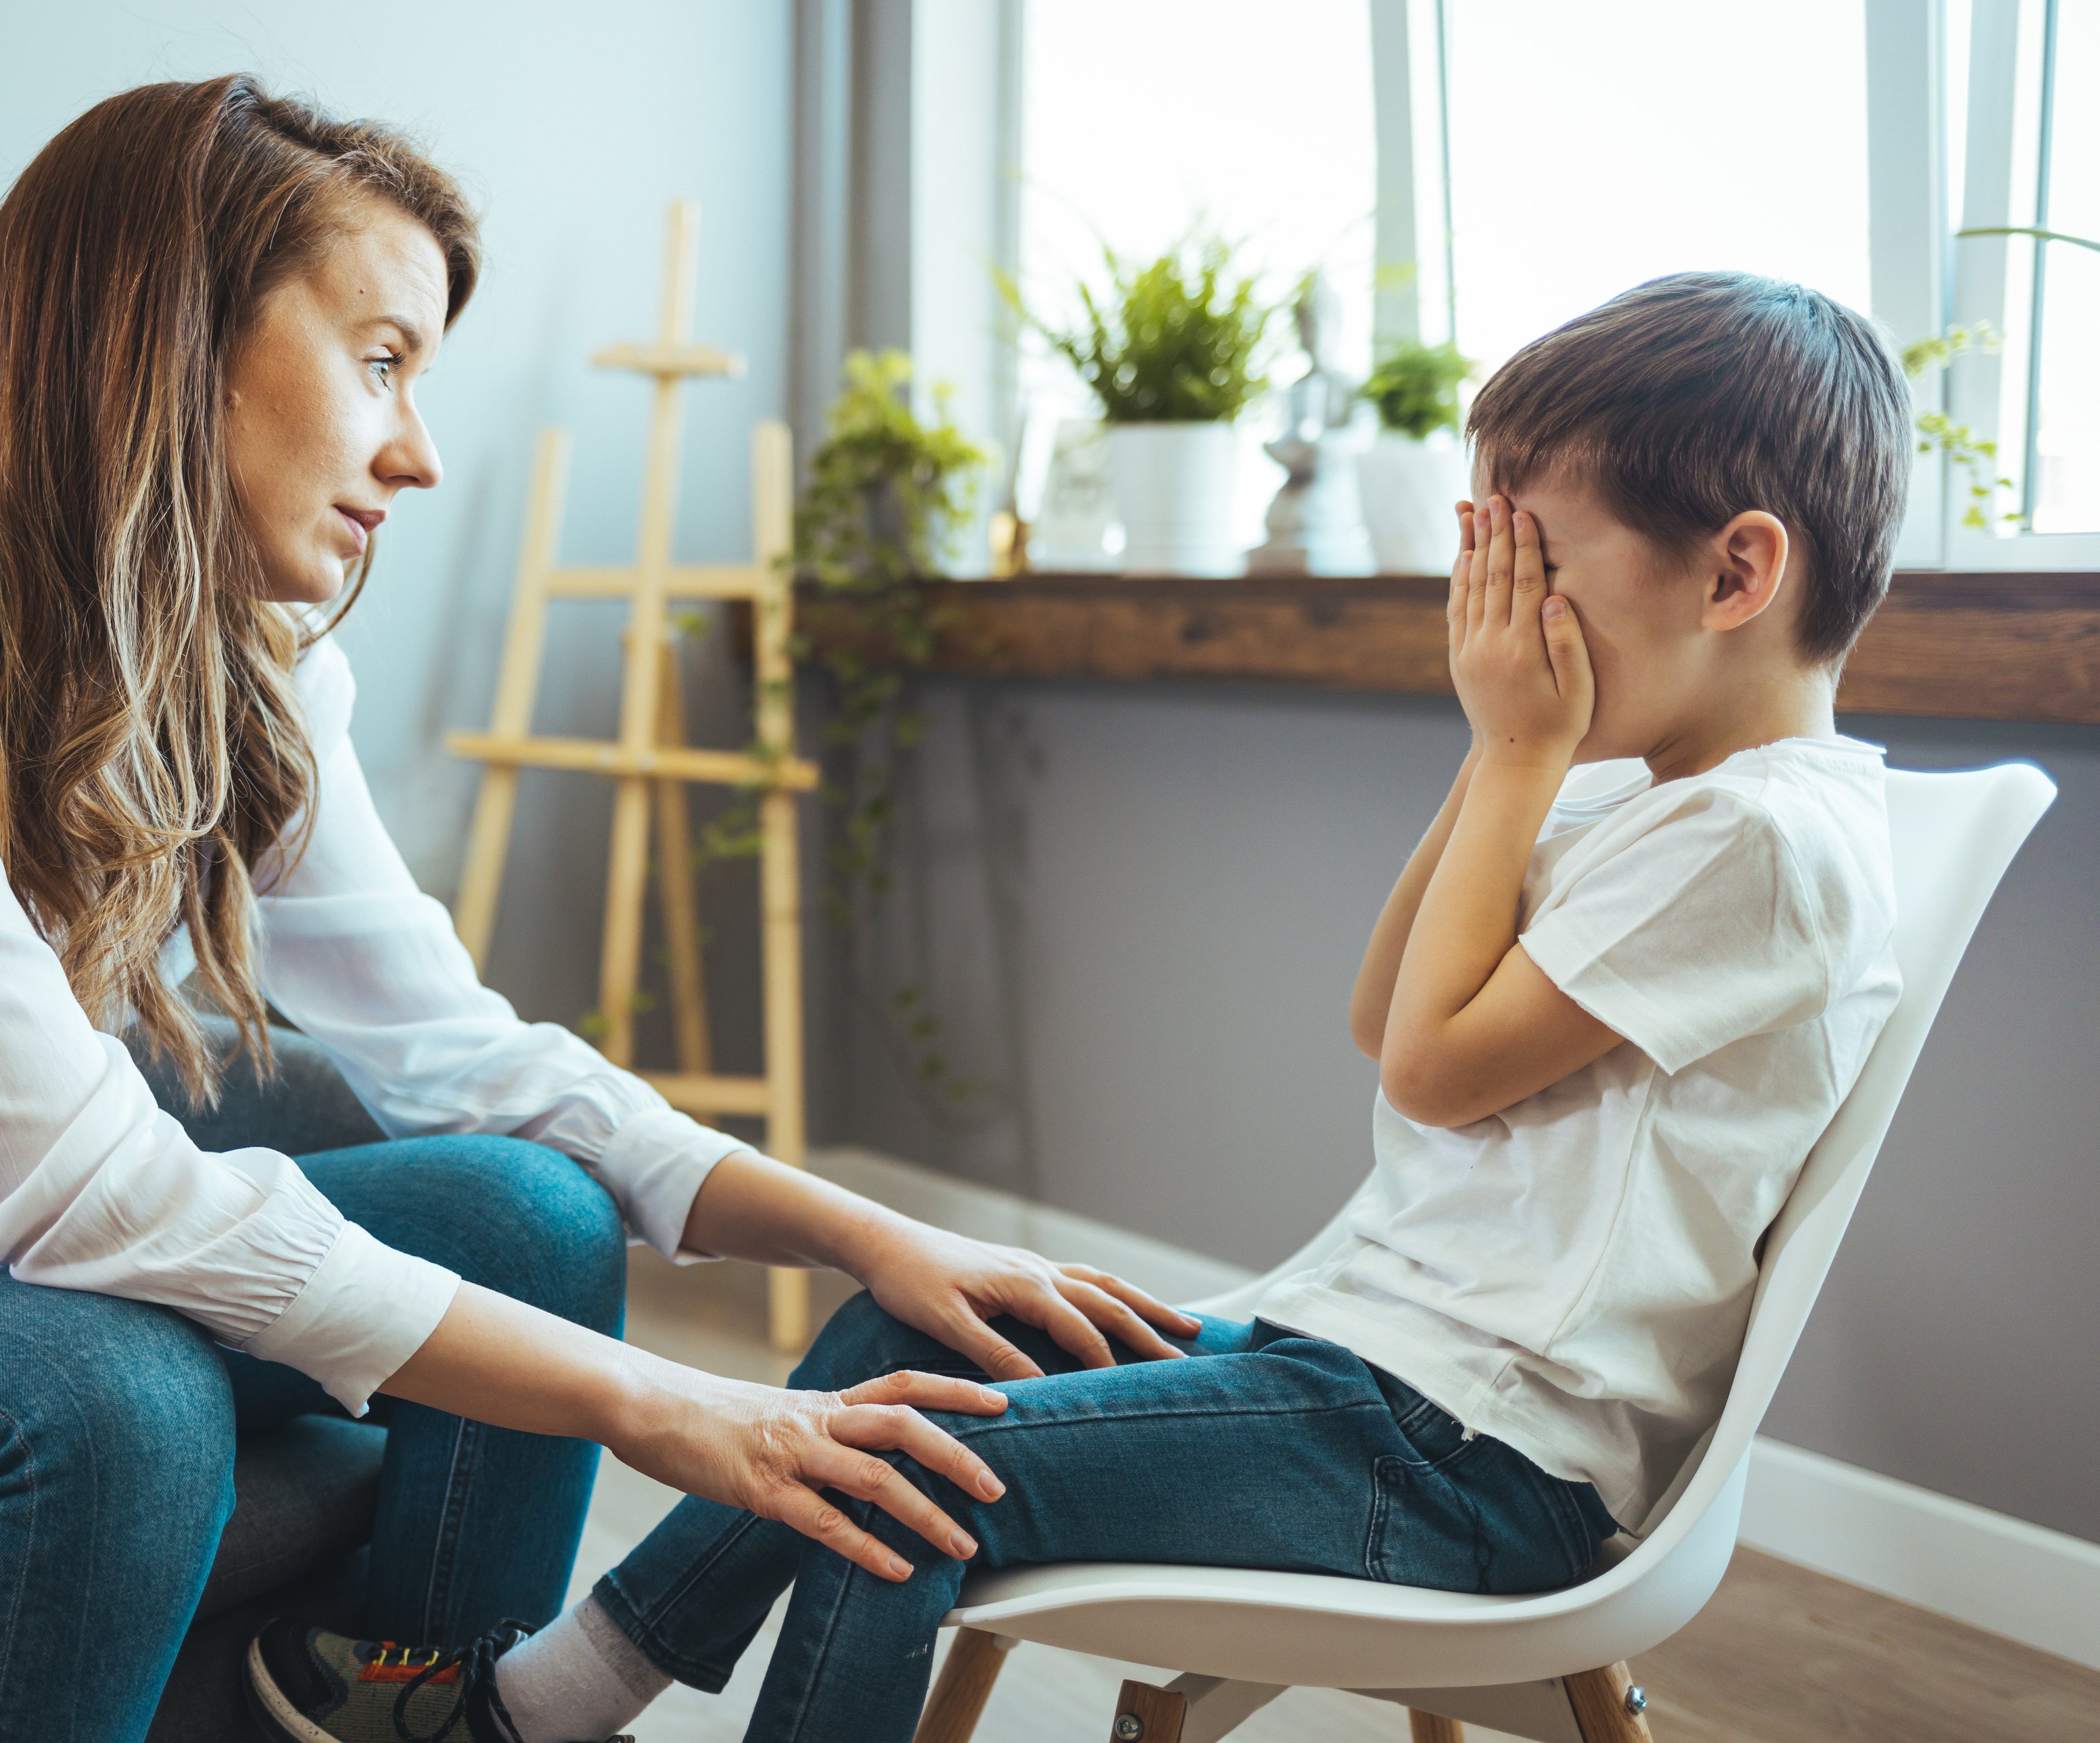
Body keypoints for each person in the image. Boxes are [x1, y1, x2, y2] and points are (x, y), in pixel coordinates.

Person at [0, 77, 1196, 1743]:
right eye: (380, 361)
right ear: (165, 328)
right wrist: (678, 1407)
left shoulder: (243, 645)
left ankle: (425, 1713)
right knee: (120, 1408)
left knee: (529, 1205)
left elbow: (459, 1052)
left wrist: (873, 1231)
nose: (420, 451)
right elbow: (89, 1190)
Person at [329, 271, 1913, 1743]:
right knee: (923, 1323)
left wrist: (1516, 758)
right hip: (1358, 1376)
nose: (1508, 614)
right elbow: (1385, 1010)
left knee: (911, 1467)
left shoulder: (1768, 839)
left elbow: (1430, 1071)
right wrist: (1511, 752)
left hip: (1477, 1459)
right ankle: (555, 1699)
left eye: (1540, 564)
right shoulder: (1634, 800)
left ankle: (528, 1714)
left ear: (1739, 568)